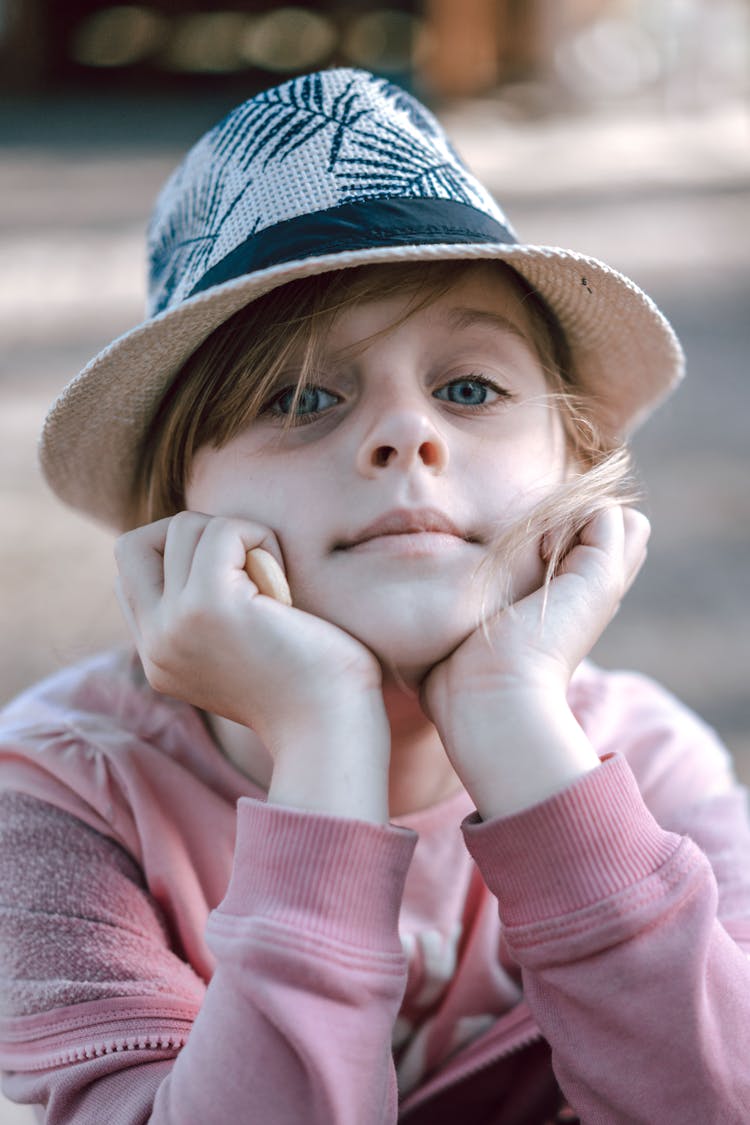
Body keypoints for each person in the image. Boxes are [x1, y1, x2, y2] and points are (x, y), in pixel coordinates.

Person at [1, 67, 749, 1125]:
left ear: (569, 464)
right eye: (302, 396)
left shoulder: (651, 772)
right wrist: (320, 739)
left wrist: (519, 728)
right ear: (178, 506)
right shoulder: (59, 798)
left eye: (469, 388)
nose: (408, 435)